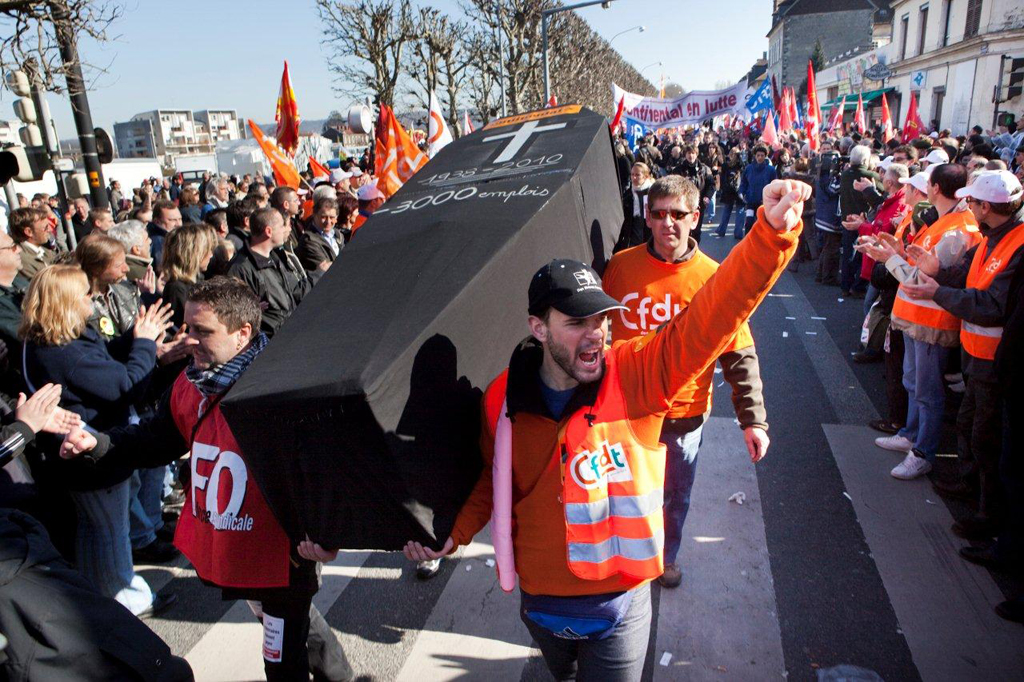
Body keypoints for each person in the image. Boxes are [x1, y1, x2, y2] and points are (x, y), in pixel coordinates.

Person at [399, 178, 808, 680]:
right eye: (576, 323)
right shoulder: (501, 398)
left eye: (602, 320)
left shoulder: (637, 373)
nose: (595, 334)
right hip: (540, 606)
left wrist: (769, 235)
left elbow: (713, 315)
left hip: (620, 606)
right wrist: (451, 535)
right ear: (538, 328)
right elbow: (494, 478)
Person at [61, 277, 354, 682]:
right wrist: (97, 443)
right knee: (286, 625)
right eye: (188, 327)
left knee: (281, 658)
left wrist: (323, 533)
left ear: (242, 334)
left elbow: (327, 468)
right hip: (231, 544)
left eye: (203, 331)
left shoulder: (284, 387)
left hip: (282, 555)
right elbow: (155, 440)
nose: (189, 340)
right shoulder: (189, 382)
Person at [601, 175, 770, 589]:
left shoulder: (714, 276)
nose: (667, 223)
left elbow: (739, 352)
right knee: (620, 491)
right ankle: (621, 557)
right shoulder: (620, 266)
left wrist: (753, 420)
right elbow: (595, 331)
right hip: (625, 410)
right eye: (659, 214)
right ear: (647, 217)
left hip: (683, 416)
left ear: (695, 217)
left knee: (674, 497)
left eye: (677, 214)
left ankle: (664, 557)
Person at [20, 265, 175, 618]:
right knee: (111, 533)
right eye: (85, 294)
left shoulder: (54, 340)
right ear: (65, 303)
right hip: (91, 454)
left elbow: (104, 358)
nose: (91, 298)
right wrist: (145, 344)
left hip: (82, 451)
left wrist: (137, 339)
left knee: (96, 531)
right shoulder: (64, 352)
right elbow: (124, 384)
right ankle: (129, 598)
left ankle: (99, 596)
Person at [900, 170, 1024, 539]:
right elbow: (965, 274)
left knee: (988, 438)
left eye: (973, 200)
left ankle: (989, 517)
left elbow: (991, 305)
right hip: (978, 355)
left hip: (996, 361)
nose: (967, 204)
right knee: (972, 426)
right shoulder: (994, 237)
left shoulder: (1016, 245)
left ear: (986, 207)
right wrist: (936, 270)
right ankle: (973, 491)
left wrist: (936, 290)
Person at [872, 164, 980, 479]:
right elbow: (919, 266)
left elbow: (924, 280)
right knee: (913, 383)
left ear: (935, 188)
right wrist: (898, 253)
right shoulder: (943, 221)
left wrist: (891, 259)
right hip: (915, 319)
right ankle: (910, 434)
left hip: (932, 323)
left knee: (927, 392)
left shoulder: (957, 230)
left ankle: (923, 452)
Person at [227, 207, 318, 336]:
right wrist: (251, 311)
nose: (285, 229)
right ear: (268, 231)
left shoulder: (275, 256)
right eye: (281, 226)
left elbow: (292, 293)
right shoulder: (240, 268)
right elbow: (234, 314)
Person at [839, 145, 879, 298]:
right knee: (863, 253)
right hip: (864, 219)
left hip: (847, 218)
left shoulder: (845, 174)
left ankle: (845, 286)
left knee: (848, 253)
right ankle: (857, 286)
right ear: (865, 160)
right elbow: (879, 197)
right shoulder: (870, 175)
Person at [162, 223, 218, 329]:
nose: (211, 255)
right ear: (193, 253)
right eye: (207, 249)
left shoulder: (197, 281)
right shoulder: (177, 289)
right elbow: (188, 327)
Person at [672, 145, 715, 243]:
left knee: (696, 230)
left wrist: (707, 197)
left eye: (693, 153)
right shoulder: (679, 169)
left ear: (696, 154)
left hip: (699, 204)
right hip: (683, 204)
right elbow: (673, 185)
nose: (691, 156)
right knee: (683, 228)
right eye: (688, 153)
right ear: (685, 155)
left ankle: (694, 248)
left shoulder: (704, 169)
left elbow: (711, 185)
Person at [615, 162, 655, 252]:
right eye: (632, 174)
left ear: (645, 176)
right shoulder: (628, 194)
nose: (634, 178)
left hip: (649, 241)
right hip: (631, 242)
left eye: (637, 175)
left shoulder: (653, 194)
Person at [739, 145, 777, 236]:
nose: (760, 157)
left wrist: (772, 198)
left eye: (762, 155)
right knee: (749, 223)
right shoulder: (748, 168)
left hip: (764, 202)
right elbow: (744, 182)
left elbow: (774, 185)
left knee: (763, 224)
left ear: (765, 156)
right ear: (755, 156)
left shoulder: (771, 170)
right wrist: (741, 192)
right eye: (758, 155)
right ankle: (748, 240)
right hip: (750, 201)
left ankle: (762, 241)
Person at [9, 207, 55, 281]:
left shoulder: (45, 251)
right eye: (46, 227)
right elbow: (46, 285)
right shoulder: (21, 261)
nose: (50, 230)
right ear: (29, 232)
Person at [297, 197, 341, 272]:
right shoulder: (308, 240)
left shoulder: (338, 235)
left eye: (332, 217)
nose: (328, 222)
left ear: (336, 218)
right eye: (323, 217)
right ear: (314, 215)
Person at [715, 148, 745, 239]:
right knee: (740, 210)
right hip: (739, 189)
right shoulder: (741, 165)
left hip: (728, 190)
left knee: (727, 210)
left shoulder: (726, 165)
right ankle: (738, 233)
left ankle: (721, 230)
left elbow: (722, 178)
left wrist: (722, 189)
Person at [147, 200, 183, 274]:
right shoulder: (158, 241)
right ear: (157, 221)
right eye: (172, 220)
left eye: (180, 219)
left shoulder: (172, 238)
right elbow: (163, 270)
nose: (178, 224)